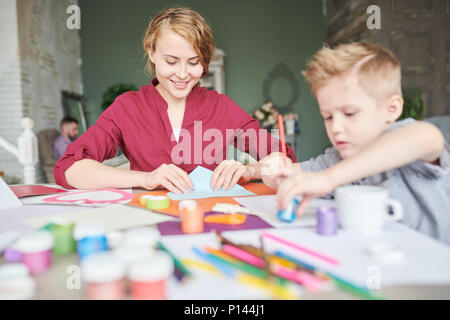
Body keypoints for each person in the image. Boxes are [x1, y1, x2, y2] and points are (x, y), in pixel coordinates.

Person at [54, 7, 295, 193]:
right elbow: (70, 168)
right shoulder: (128, 108)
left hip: (210, 223)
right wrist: (145, 178)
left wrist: (248, 170)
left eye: (193, 62)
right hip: (149, 222)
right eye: (171, 61)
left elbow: (282, 158)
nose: (182, 74)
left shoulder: (220, 107)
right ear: (152, 53)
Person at [261, 42, 450, 244]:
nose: (336, 128)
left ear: (392, 109)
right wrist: (269, 171)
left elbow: (428, 137)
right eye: (328, 117)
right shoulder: (339, 155)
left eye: (349, 113)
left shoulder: (403, 137)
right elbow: (295, 172)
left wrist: (330, 178)